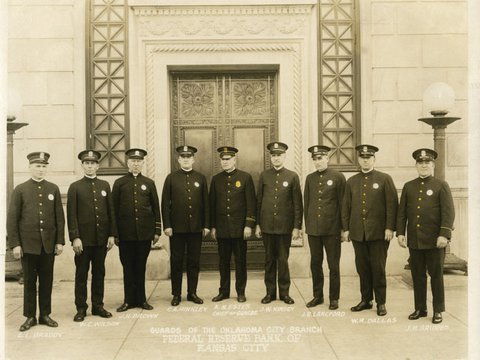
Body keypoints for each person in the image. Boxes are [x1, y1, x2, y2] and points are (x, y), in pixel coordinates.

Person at [7, 152, 65, 331]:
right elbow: (12, 219)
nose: (41, 169)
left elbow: (59, 218)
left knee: (47, 281)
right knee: (30, 282)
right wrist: (15, 244)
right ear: (30, 167)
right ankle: (30, 316)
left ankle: (45, 314)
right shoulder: (21, 189)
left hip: (48, 245)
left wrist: (59, 241)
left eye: (44, 166)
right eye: (37, 166)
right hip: (28, 245)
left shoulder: (53, 188)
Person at [396, 148, 455, 324]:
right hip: (415, 240)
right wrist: (400, 233)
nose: (423, 165)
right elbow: (402, 213)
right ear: (416, 165)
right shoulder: (409, 186)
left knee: (436, 276)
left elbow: (448, 212)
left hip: (435, 240)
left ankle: (438, 310)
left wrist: (444, 235)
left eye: (427, 162)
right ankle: (420, 308)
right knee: (418, 276)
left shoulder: (441, 185)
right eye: (420, 162)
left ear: (433, 165)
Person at [342, 144, 397, 316]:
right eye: (362, 158)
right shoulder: (352, 181)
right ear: (358, 160)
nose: (365, 160)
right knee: (363, 268)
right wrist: (346, 229)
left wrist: (390, 227)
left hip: (379, 233)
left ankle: (381, 302)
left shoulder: (384, 178)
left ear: (374, 159)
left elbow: (392, 205)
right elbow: (346, 207)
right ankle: (366, 300)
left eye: (368, 157)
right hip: (358, 232)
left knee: (378, 268)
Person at [67, 150, 116, 322]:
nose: (90, 166)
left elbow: (110, 212)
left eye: (93, 163)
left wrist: (111, 234)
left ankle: (98, 305)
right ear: (82, 165)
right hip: (83, 241)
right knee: (81, 274)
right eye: (86, 163)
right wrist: (75, 237)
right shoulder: (75, 187)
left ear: (98, 165)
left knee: (99, 272)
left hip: (101, 239)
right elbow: (71, 215)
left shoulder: (104, 185)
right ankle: (81, 307)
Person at [112, 148, 161, 312]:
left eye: (139, 161)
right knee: (128, 267)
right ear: (128, 163)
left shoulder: (149, 183)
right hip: (125, 235)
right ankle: (128, 301)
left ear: (142, 163)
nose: (136, 164)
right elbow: (113, 210)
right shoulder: (119, 183)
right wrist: (115, 233)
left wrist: (156, 231)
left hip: (144, 234)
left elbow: (155, 208)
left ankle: (141, 299)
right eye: (133, 161)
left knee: (141, 266)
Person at [161, 145, 210, 306]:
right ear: (179, 159)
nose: (186, 160)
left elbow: (206, 204)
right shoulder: (171, 178)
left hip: (196, 228)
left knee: (194, 261)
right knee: (176, 261)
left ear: (193, 159)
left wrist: (206, 225)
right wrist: (167, 225)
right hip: (177, 229)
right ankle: (176, 294)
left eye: (189, 157)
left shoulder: (200, 178)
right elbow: (165, 204)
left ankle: (192, 292)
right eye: (183, 157)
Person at [256, 142, 303, 305]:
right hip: (267, 226)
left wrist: (296, 226)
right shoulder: (264, 175)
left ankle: (284, 293)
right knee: (269, 261)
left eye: (279, 155)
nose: (276, 158)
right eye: (273, 155)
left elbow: (298, 203)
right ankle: (270, 293)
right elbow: (259, 201)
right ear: (270, 157)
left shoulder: (292, 176)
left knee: (283, 260)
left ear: (284, 156)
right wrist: (257, 224)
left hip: (285, 227)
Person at [209, 146, 256, 303]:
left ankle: (240, 292)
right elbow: (213, 204)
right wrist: (213, 226)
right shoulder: (216, 179)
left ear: (234, 160)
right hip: (222, 228)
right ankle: (223, 291)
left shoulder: (245, 178)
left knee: (240, 262)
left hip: (240, 229)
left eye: (228, 159)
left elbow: (251, 203)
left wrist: (249, 225)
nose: (225, 162)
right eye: (223, 159)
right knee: (223, 262)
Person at [304, 145, 346, 310]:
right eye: (314, 159)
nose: (317, 161)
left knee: (333, 265)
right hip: (314, 229)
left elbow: (343, 204)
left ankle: (334, 298)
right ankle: (317, 296)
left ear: (327, 158)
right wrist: (307, 226)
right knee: (315, 263)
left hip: (332, 229)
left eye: (320, 158)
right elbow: (307, 203)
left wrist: (343, 229)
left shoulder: (338, 177)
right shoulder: (310, 178)